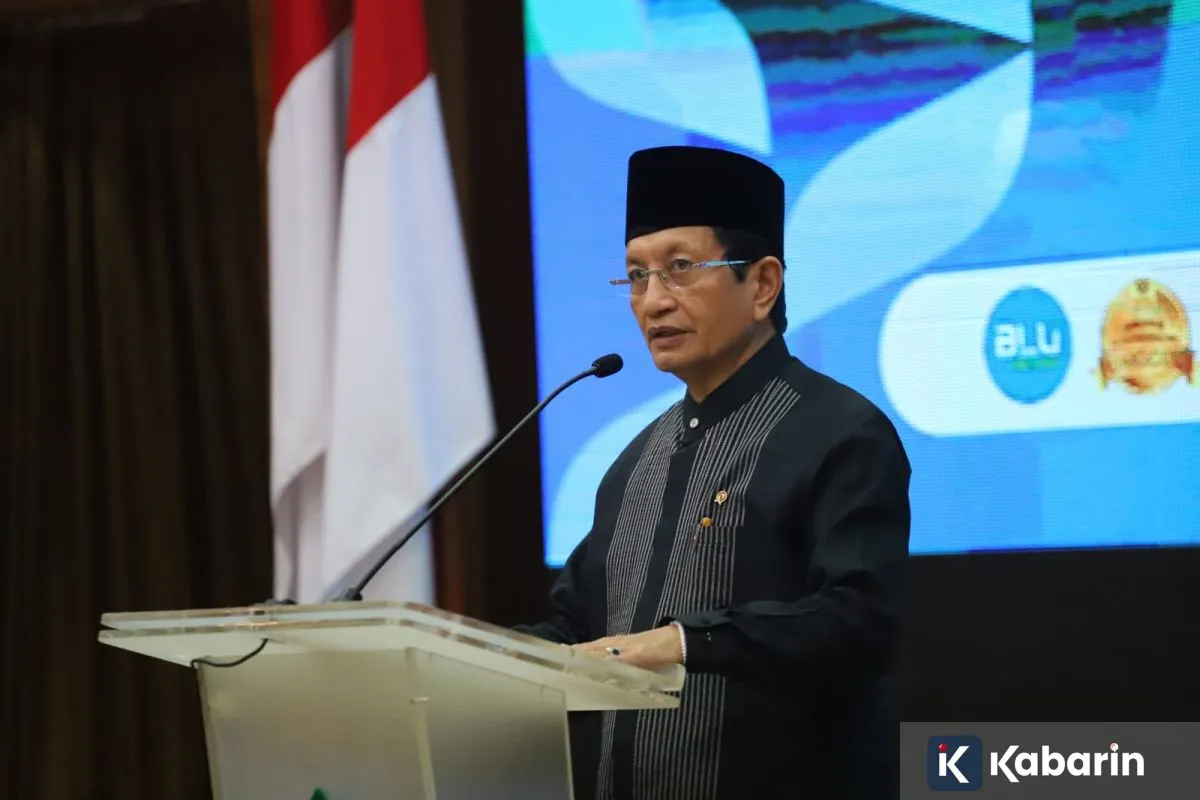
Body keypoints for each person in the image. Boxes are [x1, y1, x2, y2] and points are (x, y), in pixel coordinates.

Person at [515, 145, 911, 800]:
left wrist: (682, 644)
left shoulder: (841, 432)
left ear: (762, 285)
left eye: (679, 269)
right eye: (636, 276)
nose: (652, 302)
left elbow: (857, 623)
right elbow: (575, 632)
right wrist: (451, 649)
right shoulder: (633, 464)